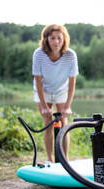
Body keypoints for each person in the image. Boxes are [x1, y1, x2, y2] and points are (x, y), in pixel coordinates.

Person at [32, 24, 79, 163]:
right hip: (43, 90)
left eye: (59, 38)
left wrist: (67, 106)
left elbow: (72, 83)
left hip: (61, 90)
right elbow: (38, 81)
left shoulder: (70, 55)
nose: (56, 42)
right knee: (48, 122)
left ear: (64, 39)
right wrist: (45, 106)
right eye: (52, 38)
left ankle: (65, 159)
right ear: (46, 39)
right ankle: (49, 159)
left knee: (64, 123)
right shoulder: (39, 54)